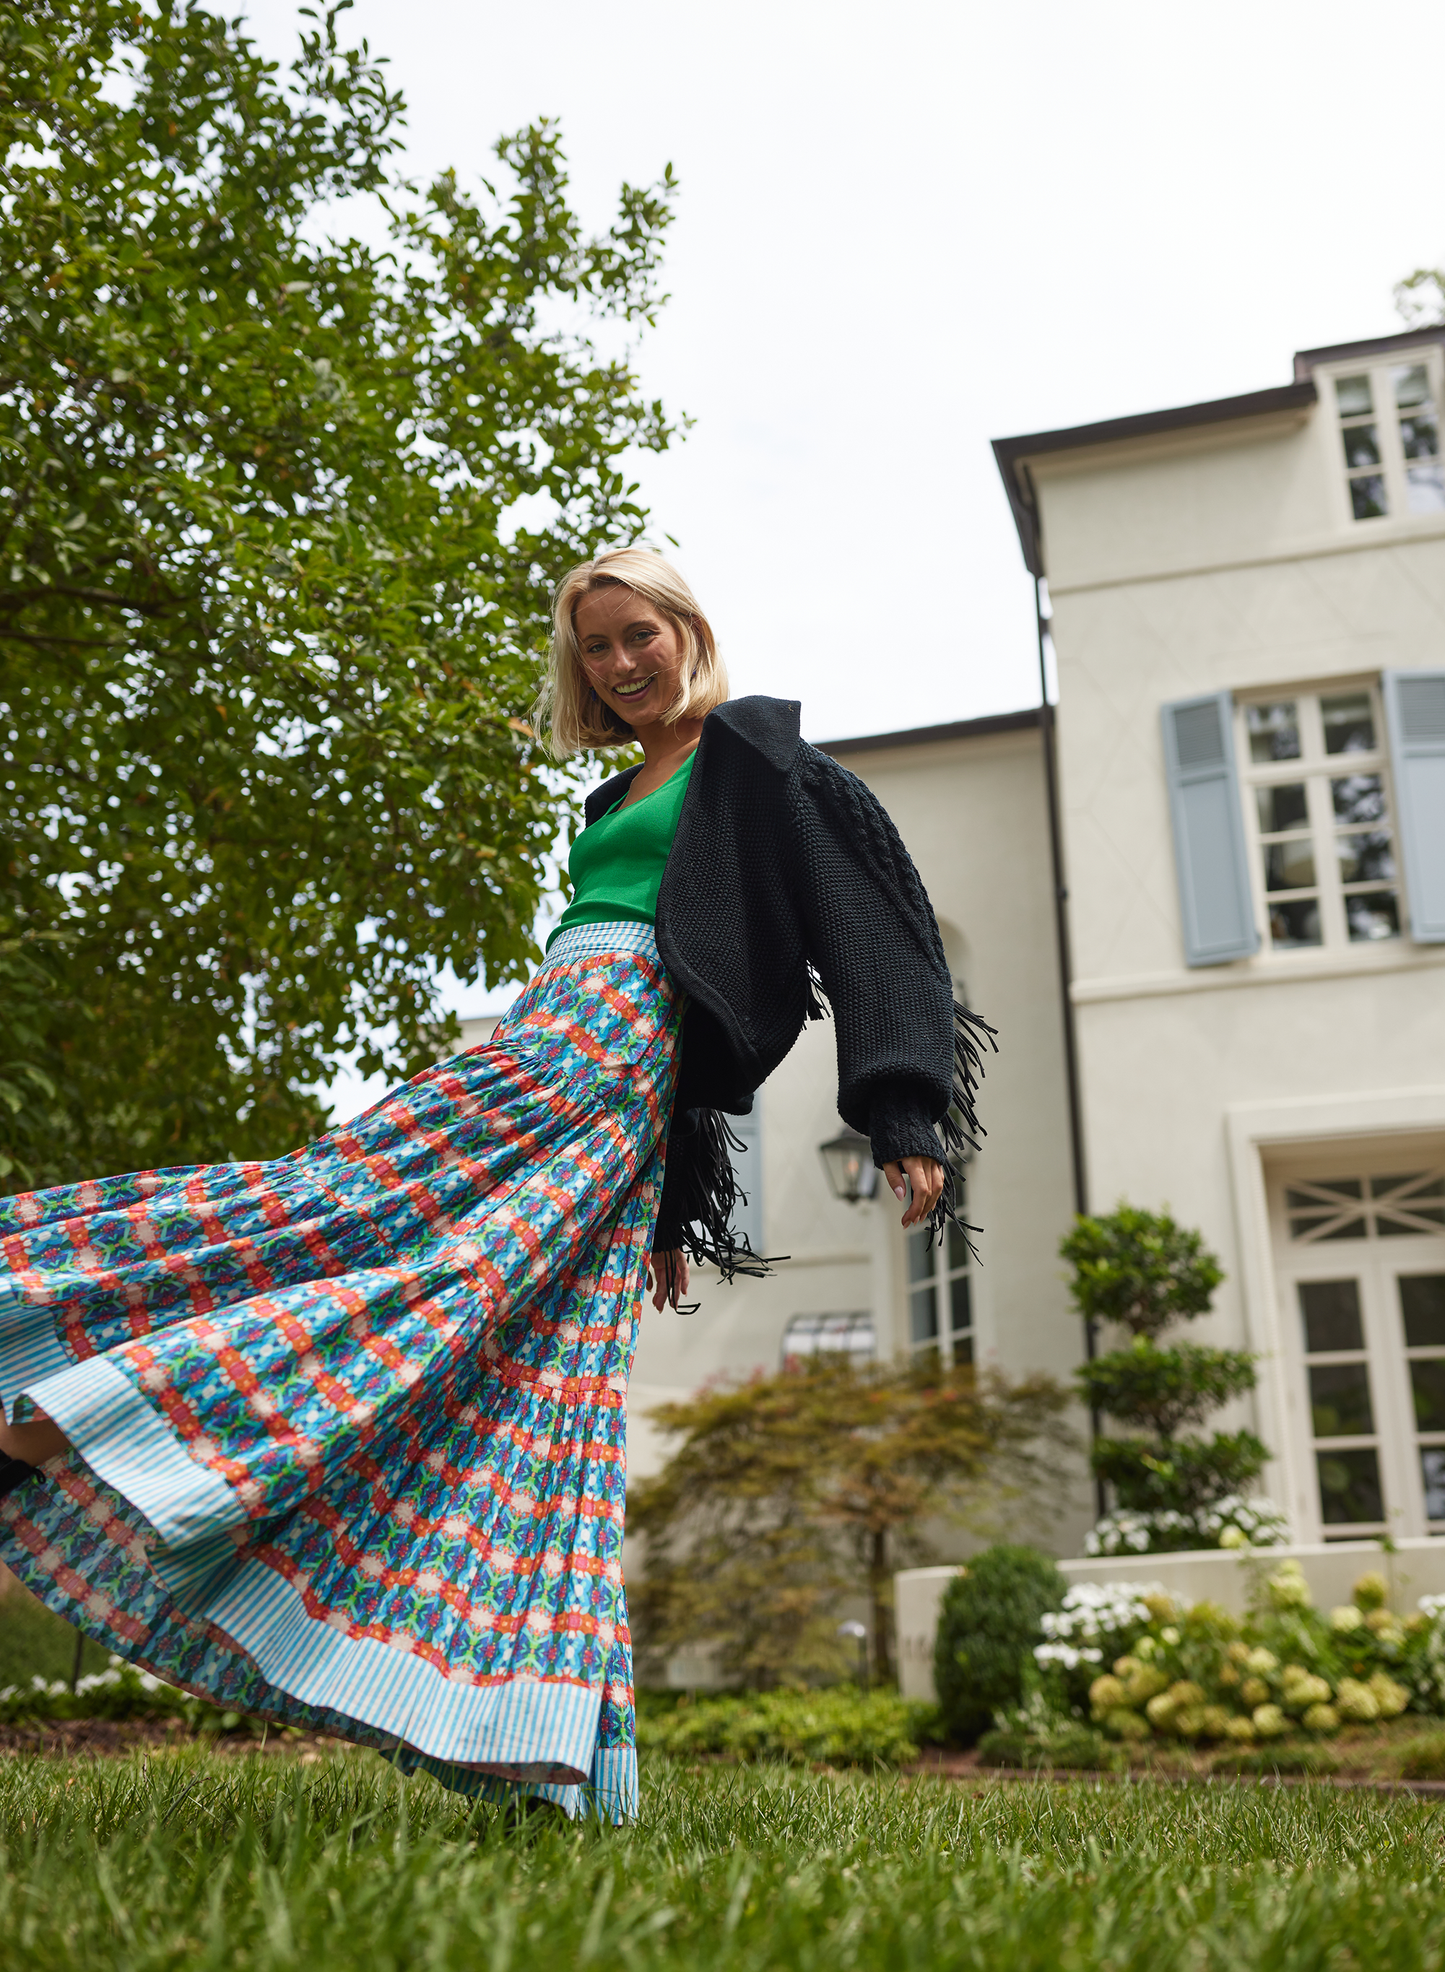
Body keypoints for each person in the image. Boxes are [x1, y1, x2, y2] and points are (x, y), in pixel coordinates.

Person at [0, 549, 989, 1820]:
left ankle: (58, 1413)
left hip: (594, 1060)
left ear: (686, 629)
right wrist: (673, 1193)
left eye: (639, 634)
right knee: (466, 1320)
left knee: (386, 1250)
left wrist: (900, 1109)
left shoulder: (756, 757)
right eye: (596, 649)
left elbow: (864, 924)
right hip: (554, 1047)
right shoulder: (609, 799)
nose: (621, 664)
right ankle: (518, 1729)